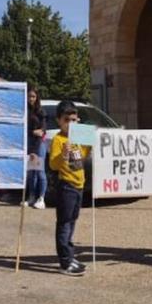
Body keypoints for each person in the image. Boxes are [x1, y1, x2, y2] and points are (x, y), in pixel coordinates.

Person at [48, 101, 88, 276]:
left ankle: (70, 256)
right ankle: (65, 261)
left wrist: (90, 145)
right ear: (59, 120)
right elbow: (53, 164)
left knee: (72, 222)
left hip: (79, 185)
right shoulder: (58, 139)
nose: (71, 123)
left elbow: (82, 157)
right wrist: (63, 155)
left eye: (74, 119)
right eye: (67, 120)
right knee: (64, 224)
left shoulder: (78, 137)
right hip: (66, 186)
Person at [25, 87, 48, 209]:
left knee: (40, 171)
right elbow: (25, 128)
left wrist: (40, 131)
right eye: (29, 96)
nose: (31, 99)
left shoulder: (41, 111)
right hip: (29, 142)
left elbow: (43, 129)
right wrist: (33, 131)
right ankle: (31, 197)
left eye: (33, 96)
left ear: (37, 97)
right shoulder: (25, 110)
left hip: (39, 143)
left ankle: (41, 198)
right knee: (31, 171)